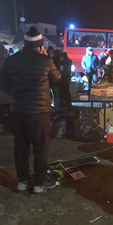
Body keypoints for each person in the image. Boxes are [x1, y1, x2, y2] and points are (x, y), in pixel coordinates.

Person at [0, 26, 62, 193]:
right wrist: (48, 57)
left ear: (25, 44)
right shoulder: (45, 60)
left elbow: (3, 83)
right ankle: (39, 183)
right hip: (39, 112)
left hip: (18, 110)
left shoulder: (11, 60)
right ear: (40, 45)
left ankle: (22, 181)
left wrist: (15, 93)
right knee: (40, 148)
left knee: (21, 147)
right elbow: (57, 79)